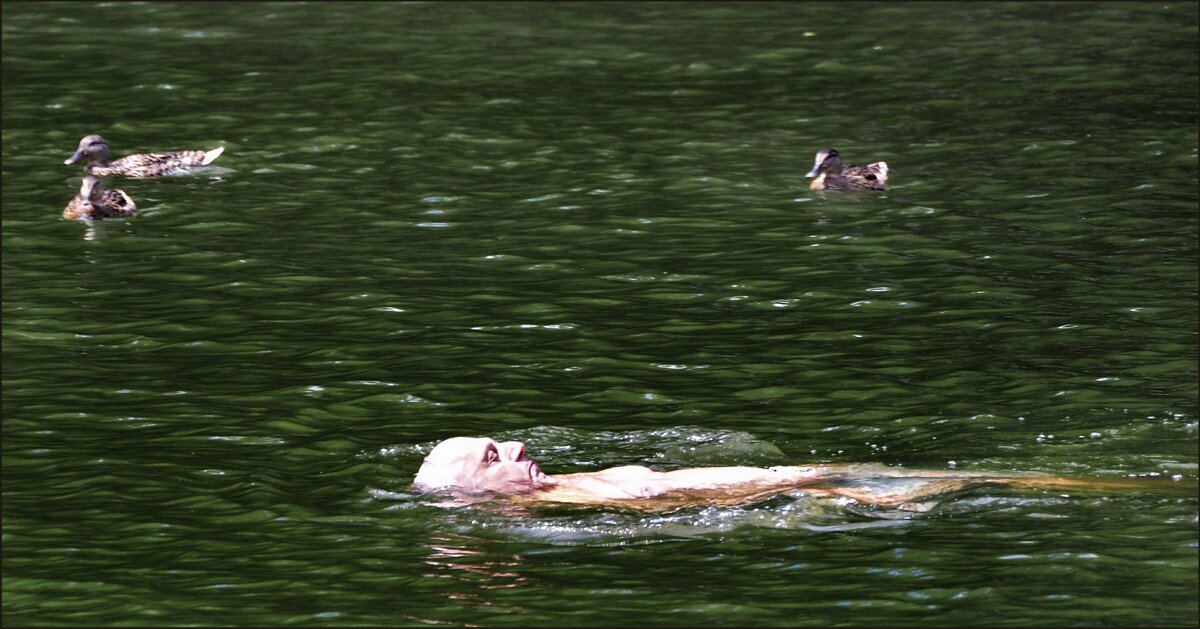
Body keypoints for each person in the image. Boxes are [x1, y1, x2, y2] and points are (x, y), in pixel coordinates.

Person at [412, 436, 1145, 511]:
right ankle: (1127, 487)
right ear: (478, 493)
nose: (512, 446)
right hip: (785, 488)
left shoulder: (558, 485)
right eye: (490, 456)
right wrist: (815, 495)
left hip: (787, 472)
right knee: (991, 484)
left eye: (500, 439)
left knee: (978, 474)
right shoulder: (545, 508)